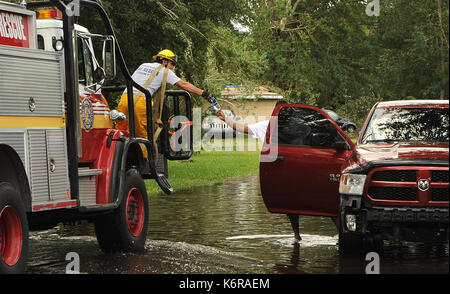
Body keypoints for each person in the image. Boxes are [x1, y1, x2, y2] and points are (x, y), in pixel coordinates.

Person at [216, 101, 303, 242]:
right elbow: (243, 128)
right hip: (283, 170)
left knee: (314, 203)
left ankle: (300, 234)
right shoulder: (267, 126)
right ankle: (297, 235)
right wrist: (226, 119)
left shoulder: (296, 127)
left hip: (293, 169)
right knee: (291, 205)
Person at [117, 49, 217, 139]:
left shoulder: (143, 65)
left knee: (121, 134)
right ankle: (145, 158)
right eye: (172, 64)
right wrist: (204, 93)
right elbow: (184, 84)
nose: (172, 68)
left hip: (124, 99)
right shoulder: (164, 71)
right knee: (142, 138)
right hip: (140, 103)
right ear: (164, 61)